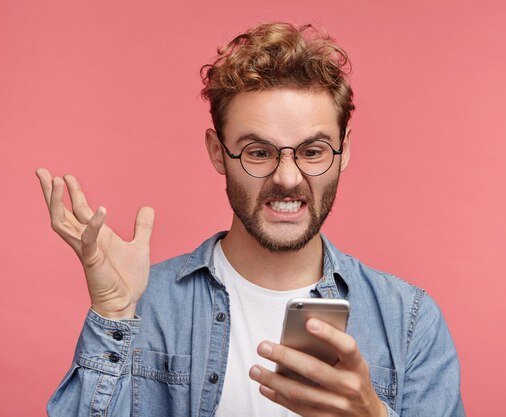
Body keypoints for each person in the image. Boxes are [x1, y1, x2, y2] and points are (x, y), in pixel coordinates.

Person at [38, 22, 465, 417]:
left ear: (344, 151)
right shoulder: (143, 308)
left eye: (313, 151)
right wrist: (111, 316)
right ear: (217, 152)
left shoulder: (409, 321)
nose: (287, 177)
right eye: (258, 152)